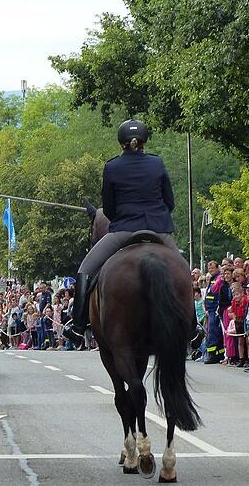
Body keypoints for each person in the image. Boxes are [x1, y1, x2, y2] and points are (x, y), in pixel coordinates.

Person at [68, 119, 178, 336]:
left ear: (121, 143)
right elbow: (170, 202)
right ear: (144, 142)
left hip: (124, 230)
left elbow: (108, 209)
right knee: (182, 271)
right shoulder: (157, 163)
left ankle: (78, 325)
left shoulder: (112, 167)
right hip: (159, 230)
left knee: (85, 270)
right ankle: (192, 329)